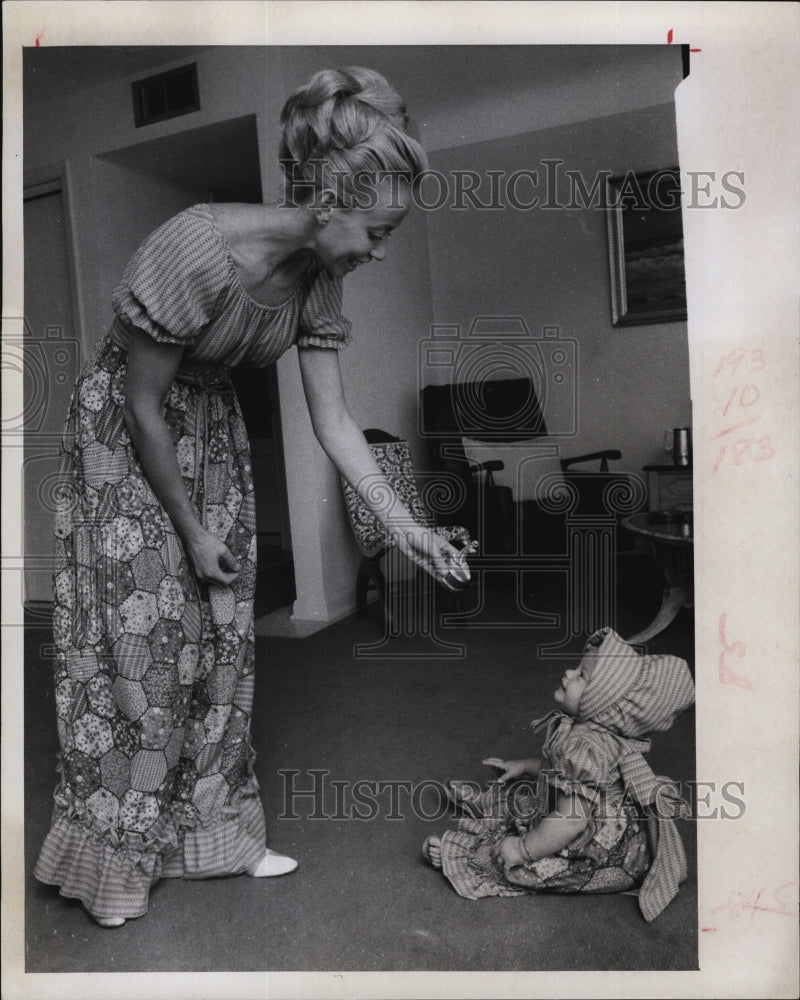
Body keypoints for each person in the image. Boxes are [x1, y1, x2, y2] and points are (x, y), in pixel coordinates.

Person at [34, 66, 460, 928]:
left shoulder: (317, 278)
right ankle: (118, 859)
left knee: (225, 637)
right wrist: (189, 531)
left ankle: (215, 840)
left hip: (212, 437)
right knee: (143, 647)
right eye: (377, 230)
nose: (379, 251)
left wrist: (404, 523)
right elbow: (141, 404)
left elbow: (334, 421)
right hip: (128, 443)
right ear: (331, 197)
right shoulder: (194, 247)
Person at [422, 627, 695, 921]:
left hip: (593, 848)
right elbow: (562, 774)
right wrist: (524, 766)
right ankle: (494, 808)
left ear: (601, 702)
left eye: (581, 676)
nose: (568, 673)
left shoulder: (588, 746)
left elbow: (573, 820)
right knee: (529, 797)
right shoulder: (591, 731)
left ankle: (464, 852)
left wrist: (523, 850)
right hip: (592, 819)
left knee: (517, 861)